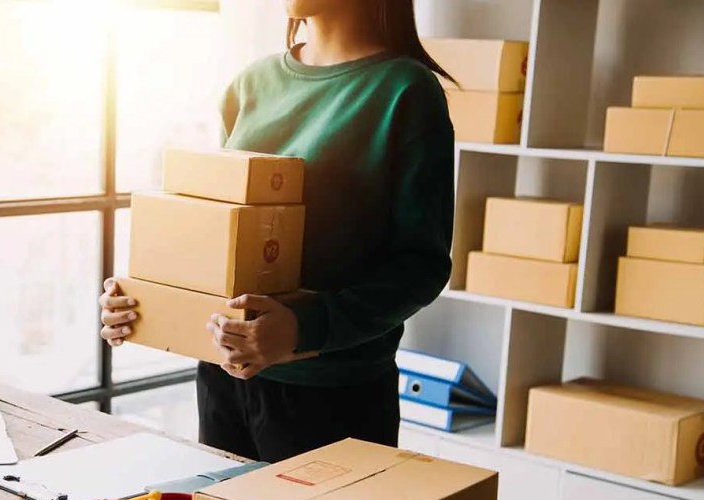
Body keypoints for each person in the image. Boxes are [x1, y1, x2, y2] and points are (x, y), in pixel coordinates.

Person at [100, 0, 455, 463]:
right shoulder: (251, 84)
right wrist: (144, 299)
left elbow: (422, 266)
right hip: (222, 378)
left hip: (333, 395)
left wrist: (302, 328)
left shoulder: (406, 91)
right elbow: (224, 230)